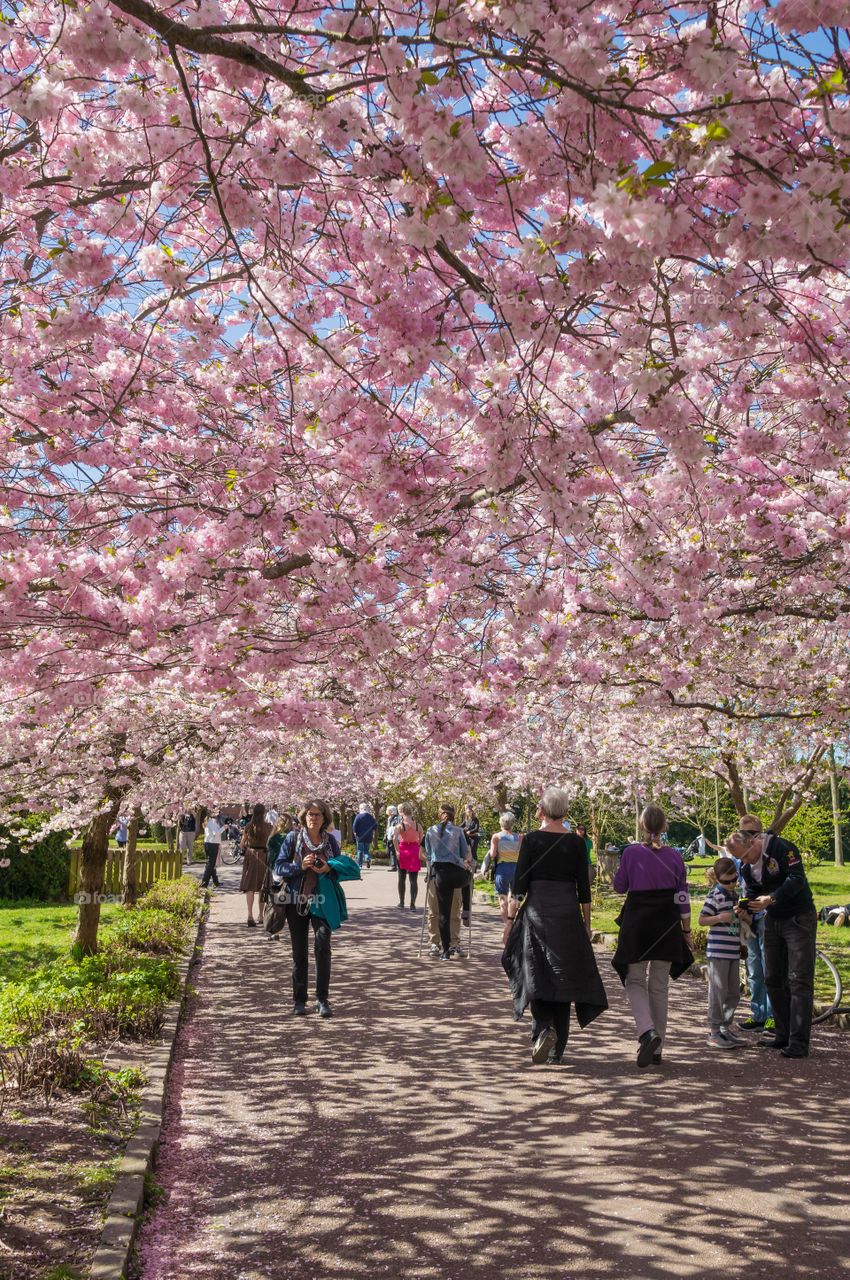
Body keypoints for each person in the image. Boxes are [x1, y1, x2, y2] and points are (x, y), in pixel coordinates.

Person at [502, 786, 607, 1064]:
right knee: (564, 978)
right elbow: (584, 888)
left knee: (535, 971)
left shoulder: (532, 840)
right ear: (566, 811)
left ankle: (544, 1029)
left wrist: (510, 920)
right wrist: (586, 923)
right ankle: (557, 1049)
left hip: (538, 912)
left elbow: (520, 885)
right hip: (568, 915)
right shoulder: (575, 842)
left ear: (542, 810)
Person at [612, 805, 693, 1068]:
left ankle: (647, 1031)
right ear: (664, 827)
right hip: (667, 924)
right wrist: (687, 930)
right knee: (659, 986)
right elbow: (682, 895)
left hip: (638, 922)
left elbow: (619, 886)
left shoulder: (631, 852)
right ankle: (658, 1048)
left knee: (635, 981)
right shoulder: (676, 857)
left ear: (642, 825)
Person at [734, 814, 817, 1059]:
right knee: (773, 977)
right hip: (772, 920)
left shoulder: (783, 848)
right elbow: (752, 890)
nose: (744, 863)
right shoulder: (746, 866)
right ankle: (782, 1034)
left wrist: (772, 898)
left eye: (746, 857)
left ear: (754, 843)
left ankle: (799, 1042)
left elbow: (797, 879)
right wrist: (745, 907)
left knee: (799, 979)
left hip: (797, 918)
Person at [272, 799, 342, 1016]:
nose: (313, 818)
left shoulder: (330, 841)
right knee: (299, 952)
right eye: (310, 814)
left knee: (323, 948)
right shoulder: (292, 838)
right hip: (296, 901)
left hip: (323, 902)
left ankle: (322, 1000)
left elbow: (340, 867)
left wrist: (328, 868)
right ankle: (299, 1000)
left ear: (325, 818)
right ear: (303, 817)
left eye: (318, 814)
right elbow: (278, 866)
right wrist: (299, 866)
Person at [698, 857, 747, 1050]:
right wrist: (719, 917)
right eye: (726, 881)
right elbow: (702, 920)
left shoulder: (735, 896)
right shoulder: (715, 895)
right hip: (718, 951)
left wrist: (743, 916)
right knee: (718, 991)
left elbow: (742, 922)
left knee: (734, 992)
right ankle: (714, 1030)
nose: (731, 884)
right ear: (717, 879)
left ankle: (725, 1028)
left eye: (734, 880)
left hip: (733, 950)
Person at [425, 804, 472, 960]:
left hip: (439, 875)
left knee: (442, 914)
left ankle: (445, 952)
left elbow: (429, 855)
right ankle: (466, 909)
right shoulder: (459, 831)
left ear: (439, 815)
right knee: (468, 876)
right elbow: (465, 855)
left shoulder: (430, 831)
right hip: (455, 873)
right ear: (454, 816)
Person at [486, 812, 522, 929]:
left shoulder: (496, 837)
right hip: (516, 868)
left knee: (502, 898)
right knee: (515, 897)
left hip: (502, 868)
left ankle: (506, 926)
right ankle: (512, 922)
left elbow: (492, 854)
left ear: (501, 822)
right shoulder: (520, 837)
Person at [239, 803, 273, 927]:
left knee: (250, 886)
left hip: (251, 855)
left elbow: (242, 845)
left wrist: (247, 844)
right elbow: (271, 843)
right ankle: (261, 915)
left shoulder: (248, 826)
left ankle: (249, 914)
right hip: (264, 855)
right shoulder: (268, 827)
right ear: (264, 813)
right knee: (263, 886)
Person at [395, 803, 424, 910]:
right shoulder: (418, 825)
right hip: (414, 851)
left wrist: (397, 851)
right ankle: (412, 904)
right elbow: (421, 839)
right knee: (413, 879)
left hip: (403, 850)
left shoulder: (400, 825)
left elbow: (394, 838)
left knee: (401, 878)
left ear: (402, 813)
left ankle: (401, 902)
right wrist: (418, 846)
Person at [201, 811, 223, 889]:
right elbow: (216, 833)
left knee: (211, 863)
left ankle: (215, 882)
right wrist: (224, 828)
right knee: (210, 864)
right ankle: (204, 883)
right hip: (212, 844)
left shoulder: (207, 821)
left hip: (208, 843)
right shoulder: (212, 821)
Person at [352, 803, 378, 870]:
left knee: (360, 850)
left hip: (360, 836)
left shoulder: (358, 816)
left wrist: (355, 832)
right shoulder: (370, 816)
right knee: (366, 850)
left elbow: (354, 826)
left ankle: (360, 865)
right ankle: (367, 859)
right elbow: (375, 826)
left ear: (360, 808)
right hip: (368, 836)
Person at [385, 805, 400, 871]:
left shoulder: (395, 818)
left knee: (393, 851)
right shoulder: (391, 818)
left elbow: (393, 828)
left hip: (394, 837)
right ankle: (395, 866)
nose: (387, 811)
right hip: (392, 837)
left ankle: (395, 866)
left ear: (391, 811)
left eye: (388, 810)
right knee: (392, 852)